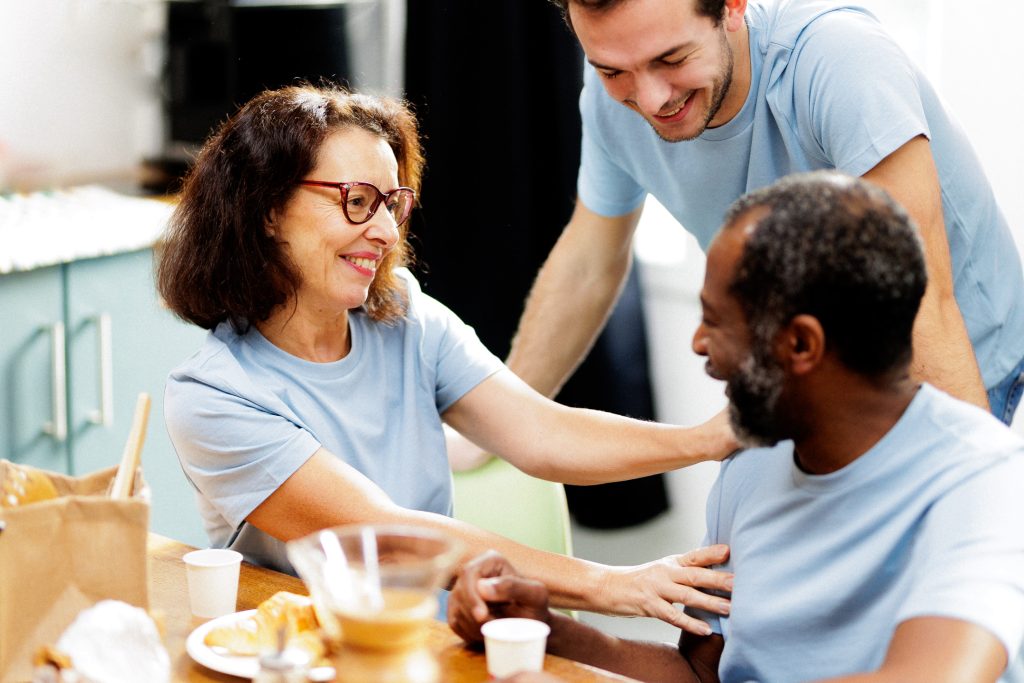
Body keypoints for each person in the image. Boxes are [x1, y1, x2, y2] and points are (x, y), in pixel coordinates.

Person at [156, 83, 738, 630]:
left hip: (432, 646)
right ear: (266, 209)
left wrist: (706, 440)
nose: (385, 230)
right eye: (358, 201)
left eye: (393, 203)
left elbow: (541, 432)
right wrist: (610, 585)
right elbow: (386, 536)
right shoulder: (214, 396)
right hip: (308, 655)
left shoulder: (404, 311)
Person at [448, 172, 1024, 683]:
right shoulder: (753, 461)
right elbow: (701, 673)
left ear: (801, 344)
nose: (699, 344)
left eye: (716, 322)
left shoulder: (983, 478)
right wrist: (546, 629)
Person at [499, 0, 1024, 425]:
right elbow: (588, 263)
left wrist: (974, 506)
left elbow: (920, 301)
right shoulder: (609, 100)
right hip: (809, 370)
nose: (651, 98)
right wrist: (500, 417)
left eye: (673, 59)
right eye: (614, 70)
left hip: (949, 355)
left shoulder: (840, 60)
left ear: (731, 6)